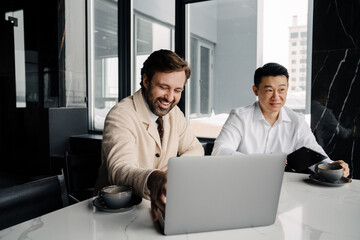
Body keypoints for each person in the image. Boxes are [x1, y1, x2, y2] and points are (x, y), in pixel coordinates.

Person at [94, 49, 204, 221]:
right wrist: (154, 178)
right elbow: (120, 170)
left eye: (177, 90)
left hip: (155, 208)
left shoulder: (175, 114)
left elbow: (195, 148)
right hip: (117, 214)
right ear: (146, 81)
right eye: (163, 87)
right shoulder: (121, 115)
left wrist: (172, 170)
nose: (170, 97)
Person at [212, 62, 349, 177]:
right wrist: (263, 162)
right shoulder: (240, 117)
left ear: (287, 89)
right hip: (244, 183)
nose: (276, 97)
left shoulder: (296, 121)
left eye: (281, 90)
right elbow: (220, 151)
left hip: (284, 188)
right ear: (255, 90)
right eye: (269, 90)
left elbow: (314, 155)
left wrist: (333, 166)